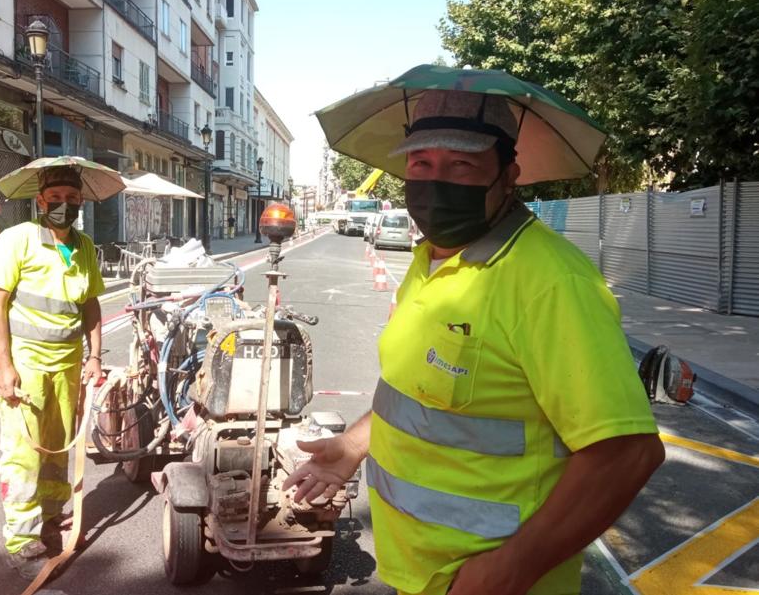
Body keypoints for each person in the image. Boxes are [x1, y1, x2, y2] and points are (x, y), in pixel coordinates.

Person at [283, 89, 665, 595]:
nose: (436, 180)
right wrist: (353, 445)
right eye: (421, 162)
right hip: (417, 574)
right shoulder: (428, 261)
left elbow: (626, 454)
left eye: (462, 165)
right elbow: (427, 393)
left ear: (509, 176)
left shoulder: (550, 282)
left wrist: (511, 569)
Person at [0, 166, 105, 580]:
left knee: (57, 447)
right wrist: (5, 368)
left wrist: (95, 357)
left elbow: (90, 305)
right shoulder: (16, 240)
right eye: (55, 197)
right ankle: (21, 537)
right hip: (27, 365)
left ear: (81, 202)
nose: (63, 205)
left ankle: (51, 518)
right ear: (40, 201)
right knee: (23, 452)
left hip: (68, 365)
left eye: (72, 199)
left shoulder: (86, 246)